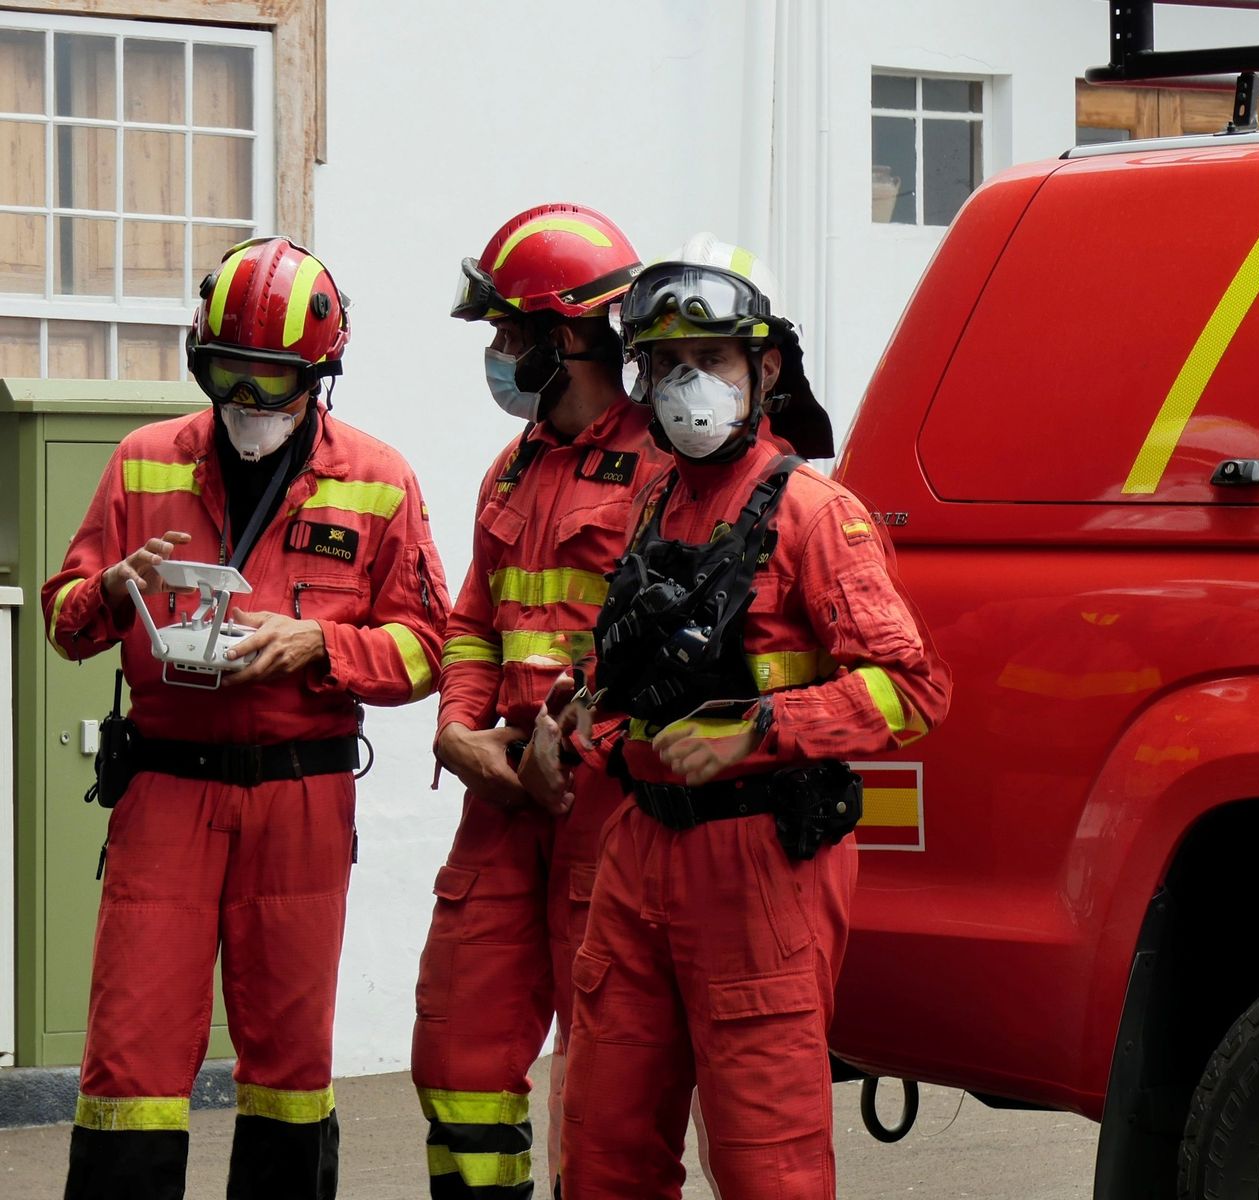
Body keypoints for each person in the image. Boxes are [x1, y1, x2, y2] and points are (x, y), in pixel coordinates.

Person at [41, 235, 451, 1200]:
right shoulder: (144, 463)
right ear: (200, 358)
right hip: (166, 791)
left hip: (300, 798)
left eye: (273, 379)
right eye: (229, 372)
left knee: (289, 1061)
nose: (248, 400)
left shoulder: (379, 479)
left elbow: (430, 647)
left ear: (319, 376)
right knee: (131, 1054)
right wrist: (110, 589)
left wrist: (321, 646)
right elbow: (63, 623)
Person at [550, 236, 951, 1197]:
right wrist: (586, 711)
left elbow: (913, 688)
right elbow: (634, 661)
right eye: (666, 365)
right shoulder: (654, 503)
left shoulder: (816, 515)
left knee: (767, 1166)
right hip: (637, 849)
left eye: (712, 359)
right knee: (602, 1154)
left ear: (764, 370)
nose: (687, 386)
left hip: (758, 868)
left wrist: (758, 730)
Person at [415, 203, 668, 1200]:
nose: (499, 356)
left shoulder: (666, 467)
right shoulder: (511, 468)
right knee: (456, 1049)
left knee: (605, 1081)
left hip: (607, 804)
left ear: (569, 339)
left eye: (511, 335)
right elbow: (473, 623)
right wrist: (457, 731)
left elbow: (672, 644)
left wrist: (571, 742)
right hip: (503, 797)